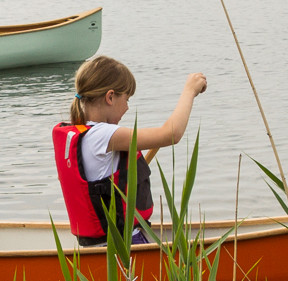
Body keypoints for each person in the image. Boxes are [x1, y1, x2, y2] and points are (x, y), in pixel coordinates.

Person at [53, 56, 208, 248]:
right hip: (120, 248)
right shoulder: (102, 135)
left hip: (97, 246)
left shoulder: (81, 133)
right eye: (126, 99)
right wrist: (190, 90)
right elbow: (171, 134)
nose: (127, 107)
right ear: (110, 97)